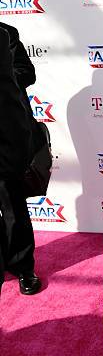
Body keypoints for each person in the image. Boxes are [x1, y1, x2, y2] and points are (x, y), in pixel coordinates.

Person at [0, 22, 43, 295]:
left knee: (13, 206)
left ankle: (23, 266)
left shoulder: (6, 33)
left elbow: (27, 73)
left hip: (5, 133)